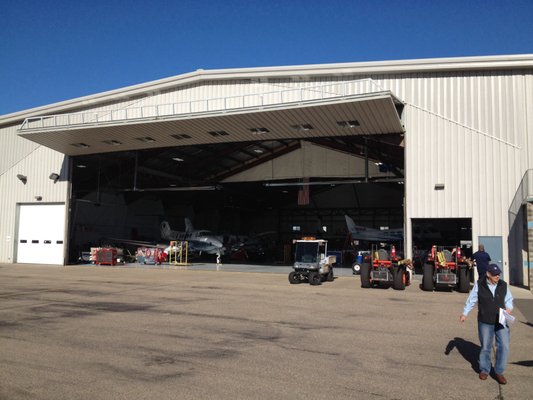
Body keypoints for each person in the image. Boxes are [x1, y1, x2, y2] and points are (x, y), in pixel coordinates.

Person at [459, 264, 514, 384]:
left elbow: (509, 300)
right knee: (486, 346)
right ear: (488, 274)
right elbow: (472, 299)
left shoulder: (503, 285)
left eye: (498, 273)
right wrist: (465, 314)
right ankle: (484, 369)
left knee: (504, 346)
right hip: (485, 321)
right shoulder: (480, 284)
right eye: (494, 274)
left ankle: (499, 371)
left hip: (501, 320)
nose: (497, 276)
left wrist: (508, 309)